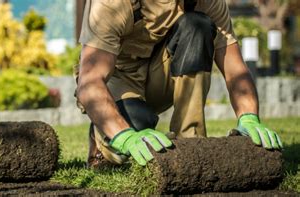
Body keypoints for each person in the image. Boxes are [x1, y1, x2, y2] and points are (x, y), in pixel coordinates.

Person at [74, 0, 283, 168]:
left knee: (197, 25)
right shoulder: (111, 3)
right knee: (137, 123)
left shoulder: (207, 3)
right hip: (118, 80)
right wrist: (123, 135)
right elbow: (90, 82)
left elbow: (234, 68)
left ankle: (191, 144)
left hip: (159, 74)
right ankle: (102, 142)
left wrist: (249, 118)